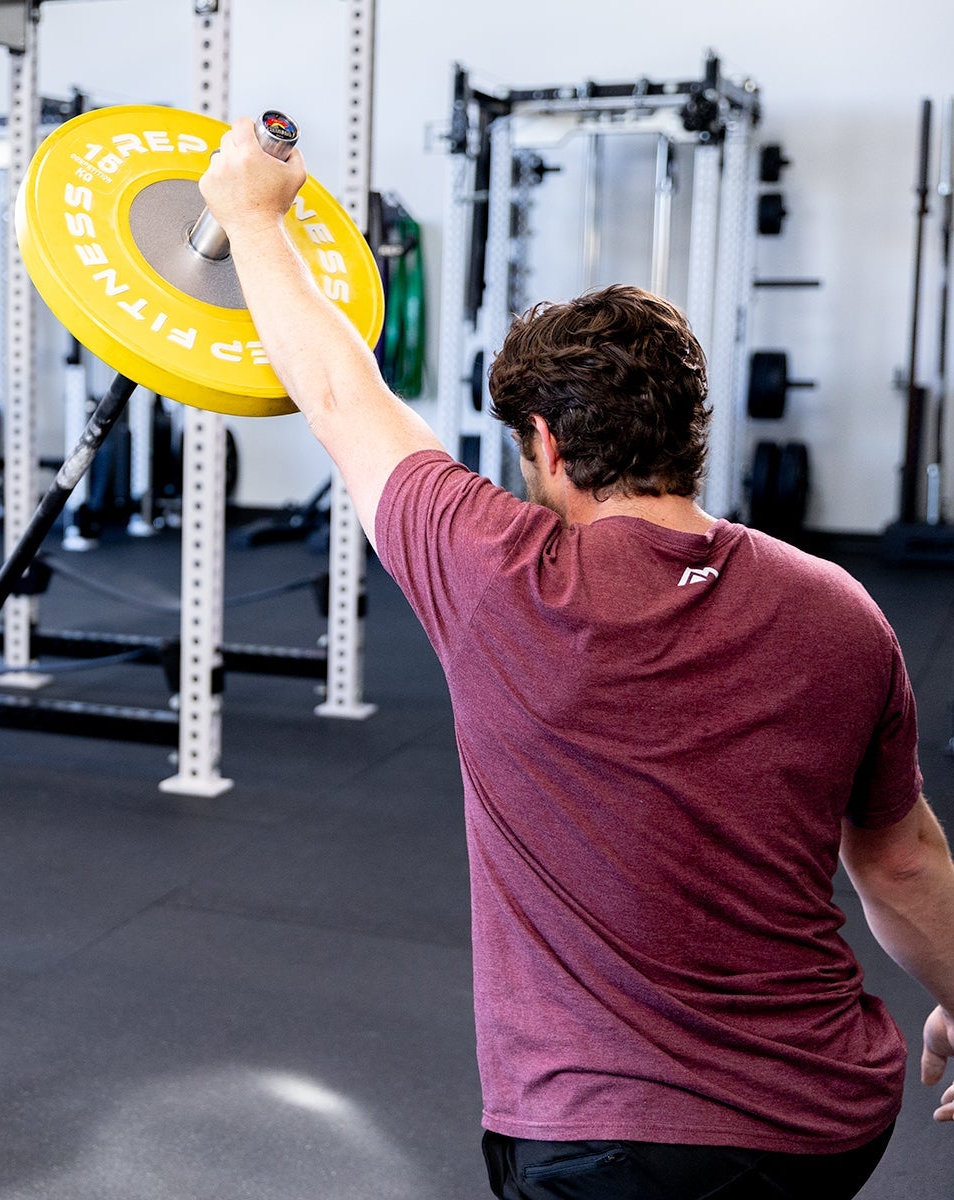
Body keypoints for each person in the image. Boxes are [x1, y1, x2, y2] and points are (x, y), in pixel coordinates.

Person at [198, 118, 954, 1199]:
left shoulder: (497, 574)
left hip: (598, 1138)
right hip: (825, 1120)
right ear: (692, 429)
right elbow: (902, 863)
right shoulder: (840, 608)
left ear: (545, 444)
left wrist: (250, 214)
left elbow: (338, 394)